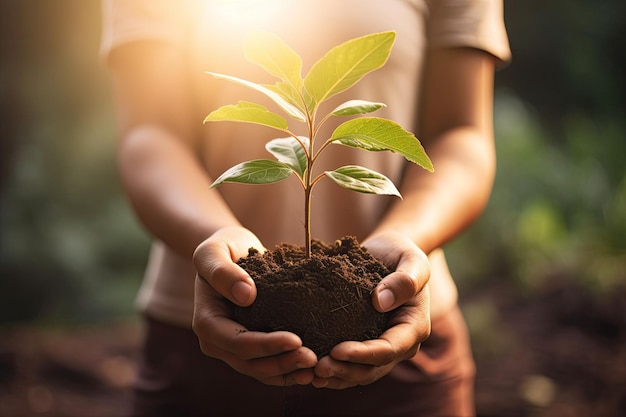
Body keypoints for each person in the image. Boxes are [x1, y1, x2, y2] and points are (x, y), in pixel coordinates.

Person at [101, 0, 510, 415]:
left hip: (398, 334)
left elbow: (461, 133)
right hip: (205, 339)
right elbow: (152, 134)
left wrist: (405, 240)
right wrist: (213, 239)